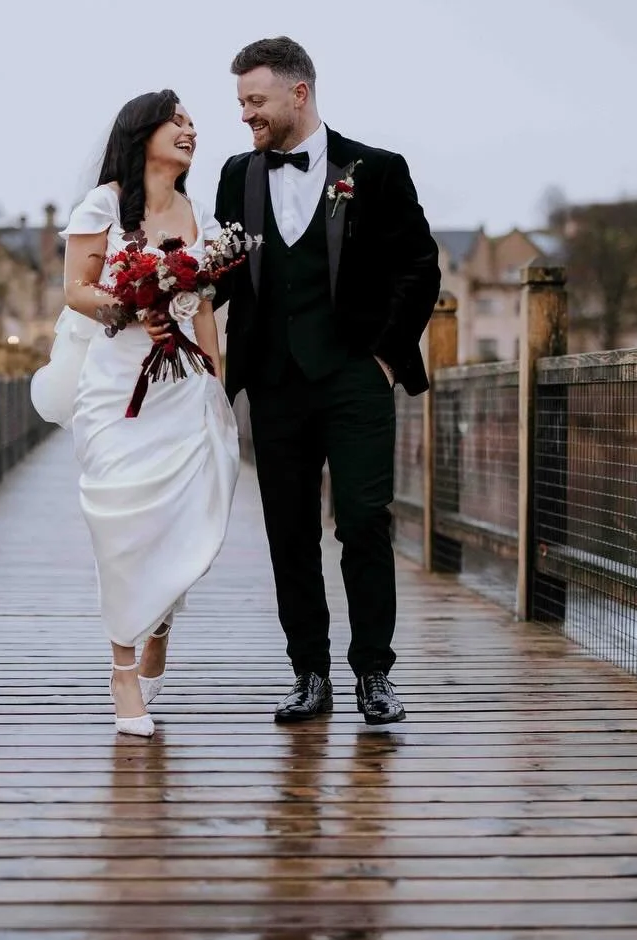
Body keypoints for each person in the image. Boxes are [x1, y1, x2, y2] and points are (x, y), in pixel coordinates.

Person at [203, 36, 441, 725]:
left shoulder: (379, 169)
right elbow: (218, 276)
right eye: (241, 101)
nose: (246, 113)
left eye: (255, 99)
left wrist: (388, 358)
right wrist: (161, 302)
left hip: (354, 377)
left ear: (298, 93)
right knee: (289, 531)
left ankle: (374, 674)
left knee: (365, 523)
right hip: (273, 383)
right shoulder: (235, 176)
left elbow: (420, 269)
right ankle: (309, 673)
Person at [37, 90, 240, 737]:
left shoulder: (196, 213)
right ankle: (123, 672)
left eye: (191, 123)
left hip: (182, 388)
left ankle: (159, 619)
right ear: (141, 131)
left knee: (186, 523)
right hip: (117, 387)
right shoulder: (103, 204)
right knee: (120, 520)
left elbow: (204, 305)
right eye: (176, 121)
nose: (190, 130)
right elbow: (76, 289)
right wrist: (128, 307)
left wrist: (217, 379)